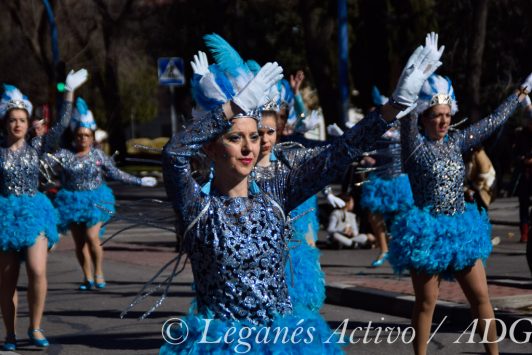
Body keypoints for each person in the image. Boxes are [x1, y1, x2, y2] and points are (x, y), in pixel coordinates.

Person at [158, 32, 441, 353]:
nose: (250, 147)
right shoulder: (198, 207)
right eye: (236, 138)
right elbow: (174, 155)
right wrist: (233, 107)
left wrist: (392, 108)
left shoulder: (276, 195)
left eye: (254, 136)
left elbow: (339, 153)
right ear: (211, 146)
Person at [388, 34, 532, 353]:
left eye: (446, 114)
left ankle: (494, 353)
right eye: (435, 114)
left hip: (460, 228)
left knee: (481, 297)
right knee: (427, 303)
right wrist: (415, 76)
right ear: (424, 116)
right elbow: (405, 113)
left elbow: (493, 121)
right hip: (427, 233)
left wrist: (519, 94)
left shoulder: (456, 141)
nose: (442, 120)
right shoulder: (414, 147)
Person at [0, 69, 87, 351]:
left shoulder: (37, 146)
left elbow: (61, 125)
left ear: (28, 123)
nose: (17, 125)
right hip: (4, 215)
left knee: (37, 270)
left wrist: (69, 92)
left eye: (22, 120)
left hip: (34, 211)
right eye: (12, 120)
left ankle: (35, 327)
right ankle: (10, 332)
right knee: (7, 279)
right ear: (5, 122)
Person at [46, 97, 157, 291]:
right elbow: (46, 167)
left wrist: (139, 180)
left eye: (86, 135)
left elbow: (115, 173)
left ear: (92, 137)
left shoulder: (98, 155)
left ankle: (98, 271)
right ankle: (87, 276)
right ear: (75, 136)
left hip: (95, 200)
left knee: (92, 237)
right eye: (79, 135)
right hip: (71, 201)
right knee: (79, 243)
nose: (82, 138)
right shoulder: (66, 155)